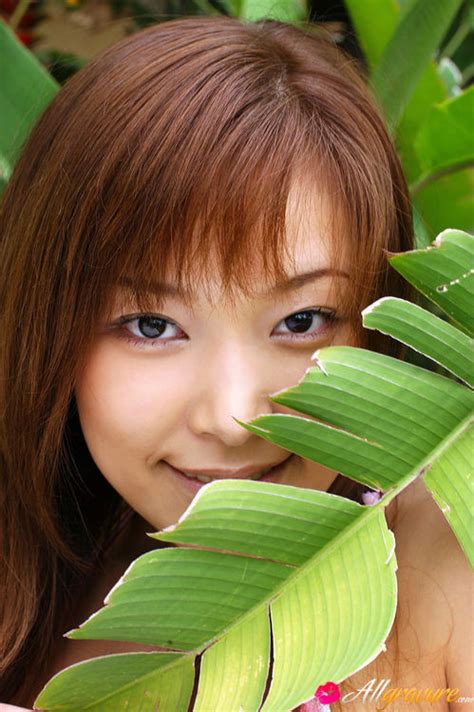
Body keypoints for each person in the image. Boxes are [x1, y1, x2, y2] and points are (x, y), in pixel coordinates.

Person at [0, 15, 471, 711]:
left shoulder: (437, 561)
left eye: (302, 322)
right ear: (50, 329)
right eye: (152, 325)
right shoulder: (26, 566)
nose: (234, 418)